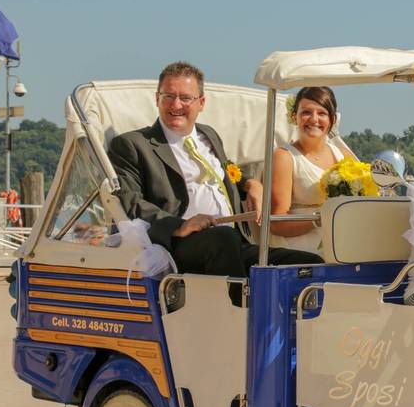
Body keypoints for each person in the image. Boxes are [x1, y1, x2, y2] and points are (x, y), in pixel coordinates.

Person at [108, 61, 321, 279]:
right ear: (157, 99)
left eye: (186, 98)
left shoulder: (208, 135)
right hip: (180, 244)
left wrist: (251, 184)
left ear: (201, 103)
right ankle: (240, 308)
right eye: (169, 96)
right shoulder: (132, 145)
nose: (176, 105)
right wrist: (180, 226)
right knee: (223, 239)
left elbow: (228, 170)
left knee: (309, 264)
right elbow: (130, 201)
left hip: (232, 242)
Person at [267, 86, 354, 253]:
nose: (314, 119)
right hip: (300, 251)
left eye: (322, 113)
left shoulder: (343, 156)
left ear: (332, 120)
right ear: (295, 117)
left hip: (340, 246)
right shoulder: (284, 157)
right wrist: (319, 219)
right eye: (306, 112)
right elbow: (276, 223)